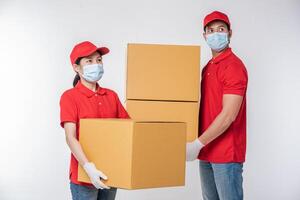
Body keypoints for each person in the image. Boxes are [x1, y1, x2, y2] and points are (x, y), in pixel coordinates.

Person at [186, 11, 248, 200]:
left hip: (226, 154)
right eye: (210, 30)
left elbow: (229, 114)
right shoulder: (208, 68)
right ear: (204, 36)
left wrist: (197, 143)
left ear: (230, 33)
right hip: (206, 151)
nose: (216, 34)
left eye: (221, 29)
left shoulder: (234, 66)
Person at [60, 41, 130, 200]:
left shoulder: (111, 96)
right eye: (89, 61)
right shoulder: (69, 97)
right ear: (76, 67)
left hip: (110, 173)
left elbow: (127, 130)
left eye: (99, 60)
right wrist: (89, 168)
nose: (96, 64)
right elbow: (70, 137)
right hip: (83, 176)